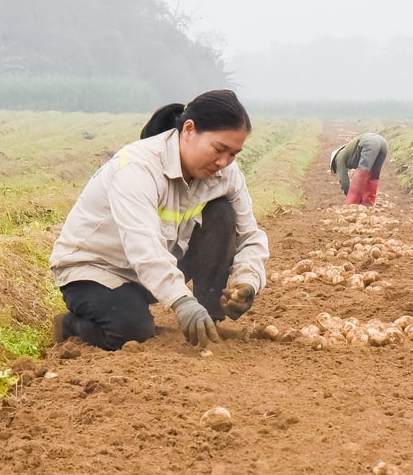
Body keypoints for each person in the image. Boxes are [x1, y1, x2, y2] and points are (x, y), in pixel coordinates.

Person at [49, 89, 269, 351]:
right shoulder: (138, 167)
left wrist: (248, 281)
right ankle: (69, 325)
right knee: (131, 331)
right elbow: (142, 246)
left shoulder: (225, 173)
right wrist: (180, 300)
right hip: (96, 270)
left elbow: (249, 235)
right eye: (219, 149)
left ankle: (208, 318)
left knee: (221, 213)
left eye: (233, 154)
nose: (224, 162)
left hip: (154, 265)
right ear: (188, 129)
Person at [330, 133, 388, 207]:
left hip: (370, 143)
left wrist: (349, 196)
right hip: (383, 143)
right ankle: (368, 204)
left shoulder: (339, 158)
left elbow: (344, 181)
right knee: (373, 176)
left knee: (361, 174)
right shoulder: (349, 153)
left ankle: (352, 204)